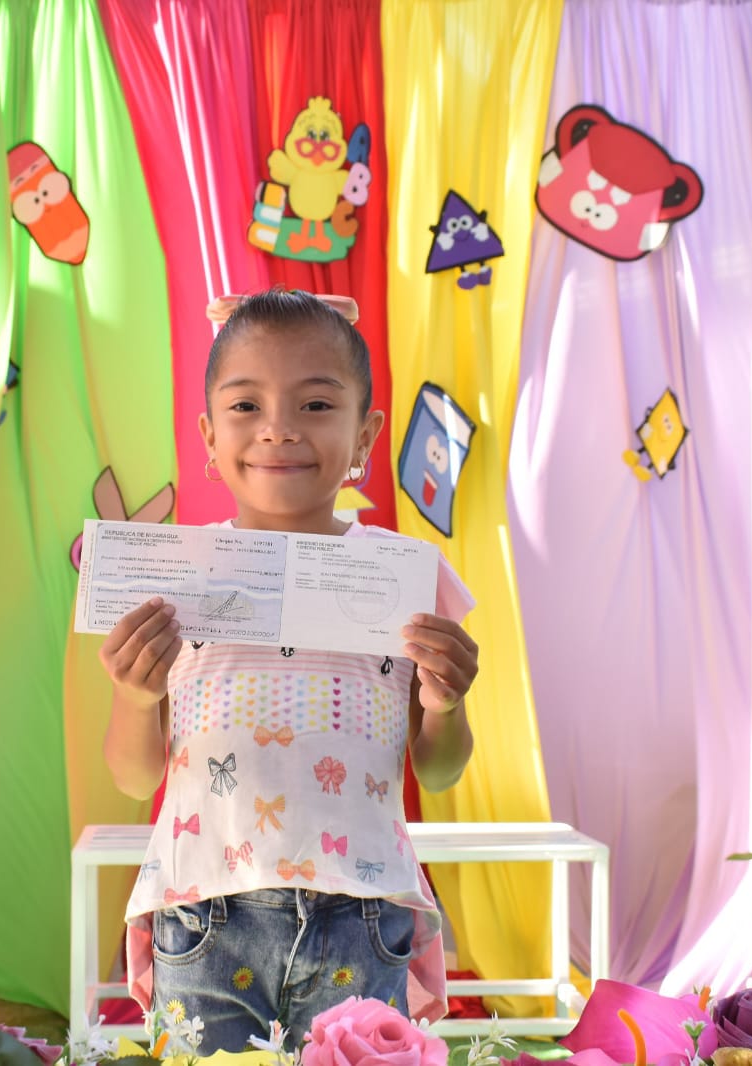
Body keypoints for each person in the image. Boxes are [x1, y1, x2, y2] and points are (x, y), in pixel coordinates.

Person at [99, 288, 479, 1052]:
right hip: (204, 910)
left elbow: (439, 770)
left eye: (314, 404)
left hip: (362, 912)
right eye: (246, 406)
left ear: (365, 433)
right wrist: (135, 698)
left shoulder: (406, 575)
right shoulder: (175, 578)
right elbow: (136, 777)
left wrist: (444, 707)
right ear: (208, 436)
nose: (277, 428)